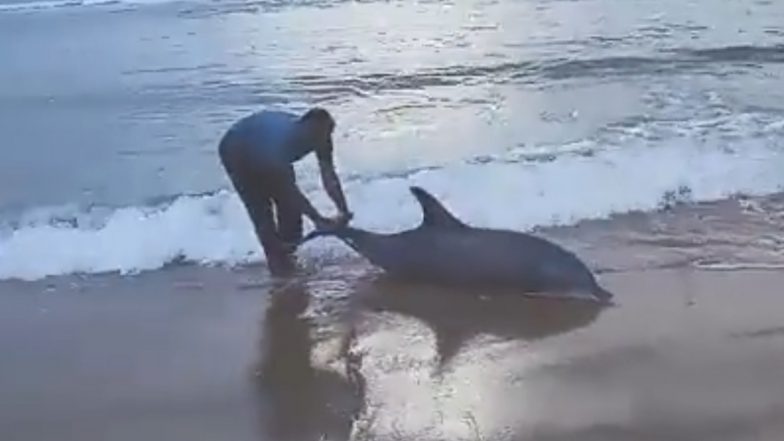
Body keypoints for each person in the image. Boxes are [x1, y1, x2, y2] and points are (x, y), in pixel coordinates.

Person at [218, 107, 352, 276]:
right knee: (262, 210)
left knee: (290, 212)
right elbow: (289, 190)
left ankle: (289, 255)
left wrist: (343, 210)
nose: (320, 141)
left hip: (265, 143)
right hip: (236, 148)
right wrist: (318, 219)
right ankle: (278, 267)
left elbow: (328, 175)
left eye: (326, 135)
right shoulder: (285, 141)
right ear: (304, 130)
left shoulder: (322, 135)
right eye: (315, 137)